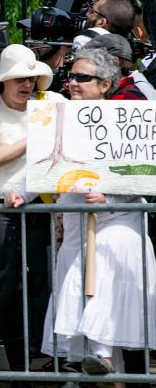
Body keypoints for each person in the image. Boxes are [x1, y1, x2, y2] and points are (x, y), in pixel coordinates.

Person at [17, 47, 156, 384]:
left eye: (82, 78)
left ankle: (103, 355)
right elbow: (42, 167)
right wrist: (19, 193)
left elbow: (142, 173)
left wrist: (111, 194)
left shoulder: (128, 118)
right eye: (71, 77)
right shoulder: (58, 116)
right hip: (78, 232)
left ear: (105, 84)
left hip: (119, 224)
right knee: (87, 308)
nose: (73, 84)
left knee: (106, 288)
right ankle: (104, 363)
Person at [0, 44, 59, 383]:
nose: (27, 85)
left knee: (40, 281)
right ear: (3, 81)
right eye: (19, 79)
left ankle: (32, 353)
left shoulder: (51, 106)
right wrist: (36, 132)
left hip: (38, 205)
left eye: (33, 79)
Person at [80, 33, 151, 100]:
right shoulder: (112, 92)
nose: (86, 67)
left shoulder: (126, 98)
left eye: (94, 61)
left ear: (115, 61)